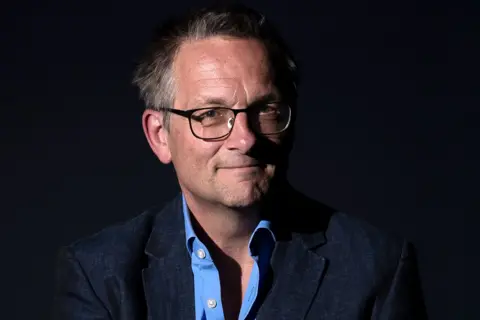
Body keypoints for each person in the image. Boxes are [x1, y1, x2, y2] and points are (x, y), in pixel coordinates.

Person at [52, 4, 427, 320]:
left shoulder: (376, 269)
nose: (245, 138)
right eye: (211, 114)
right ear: (159, 135)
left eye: (265, 110)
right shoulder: (99, 275)